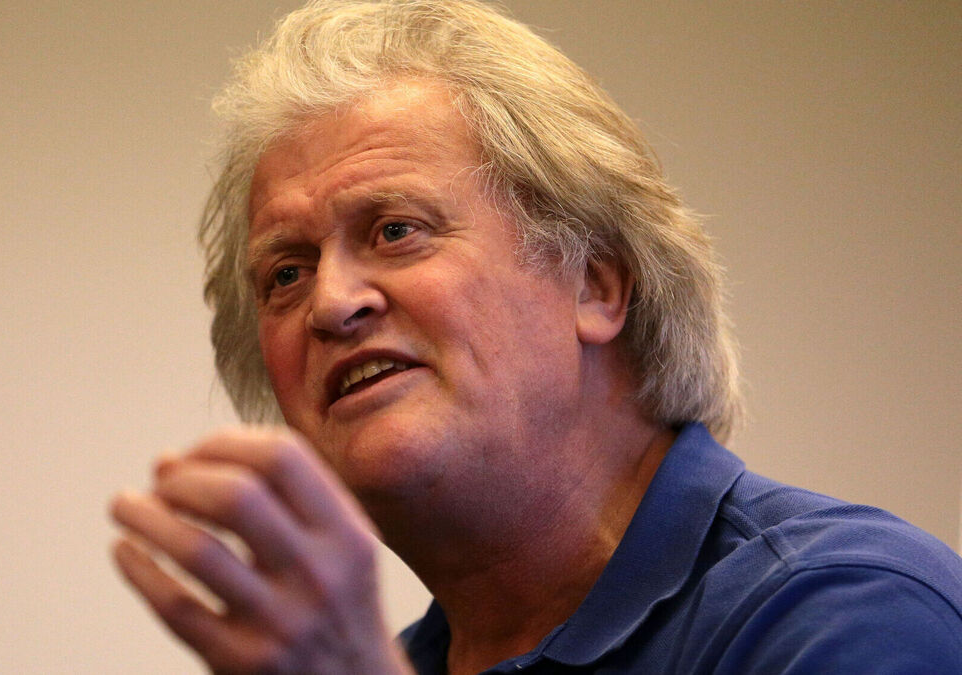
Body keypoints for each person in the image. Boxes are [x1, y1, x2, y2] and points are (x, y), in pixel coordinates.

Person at [109, 1, 962, 672]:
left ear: (595, 284)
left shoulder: (839, 610)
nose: (331, 302)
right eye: (286, 273)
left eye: (396, 230)